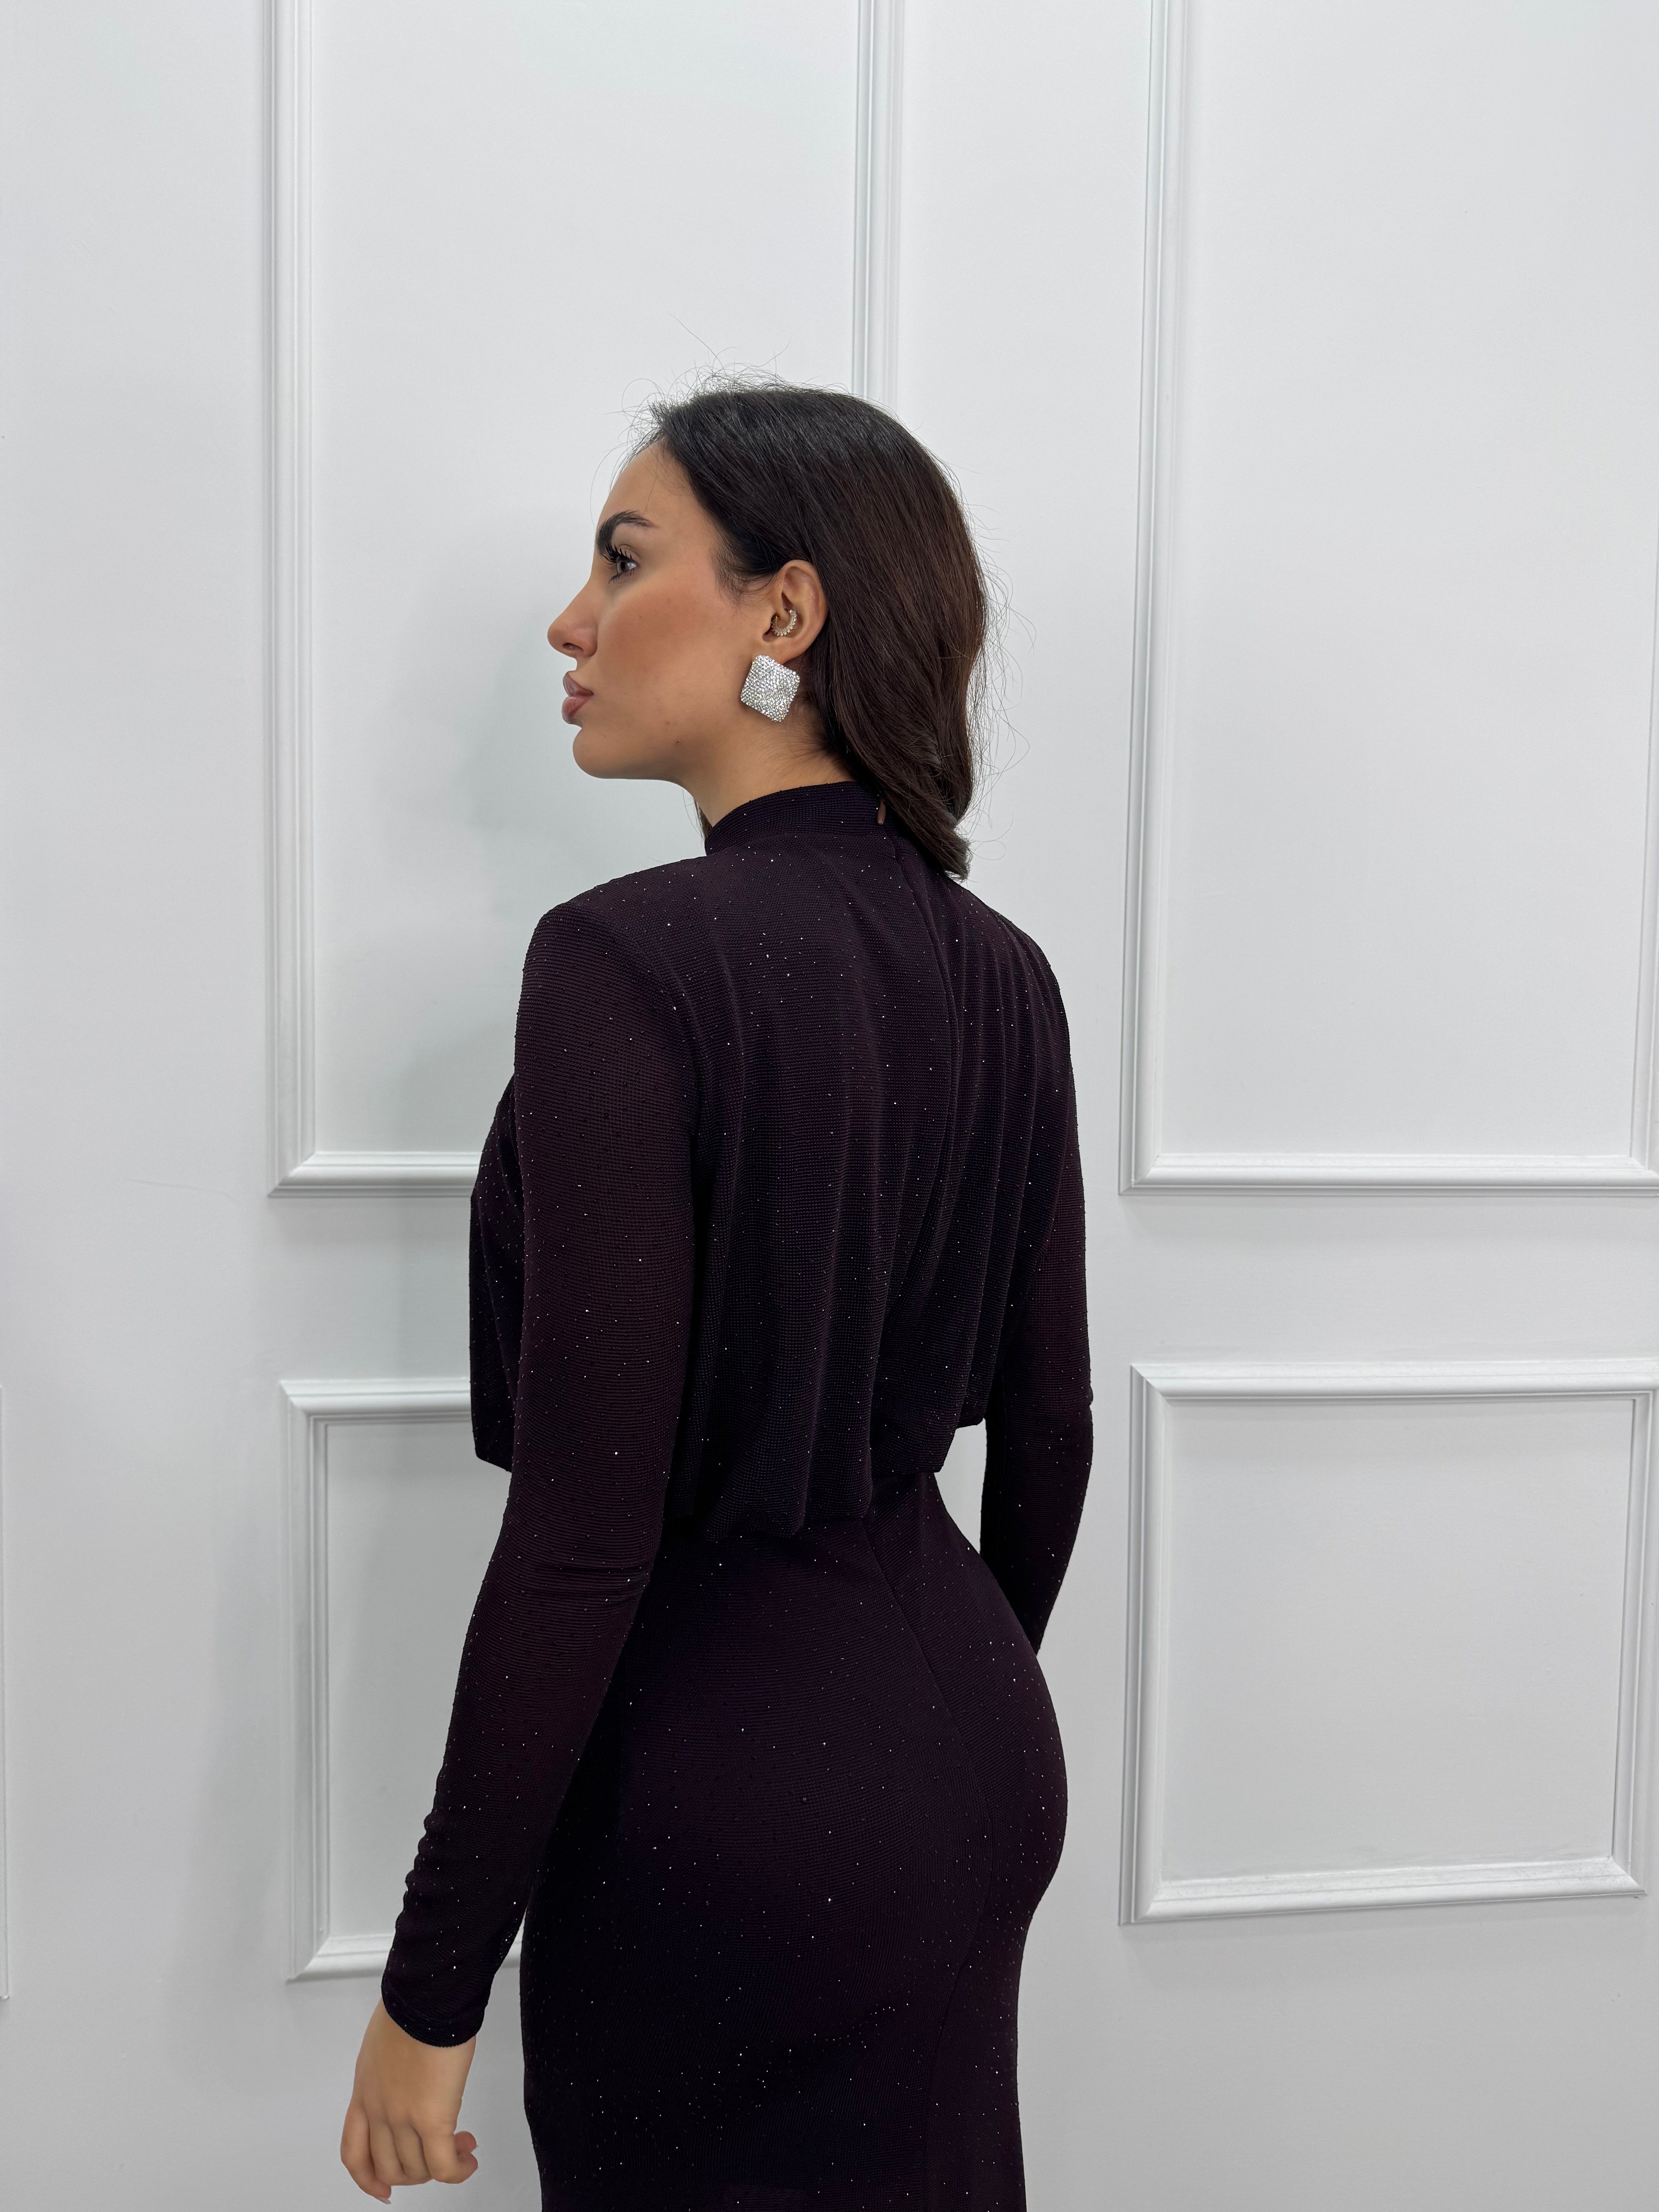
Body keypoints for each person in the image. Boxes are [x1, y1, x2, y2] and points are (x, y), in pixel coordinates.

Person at [338, 378, 1094, 2209]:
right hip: (970, 1747)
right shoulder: (1005, 972)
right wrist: (911, 1728)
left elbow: (583, 1538)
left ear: (788, 612)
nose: (570, 621)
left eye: (623, 559)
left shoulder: (623, 964)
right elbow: (1053, 1434)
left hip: (719, 1801)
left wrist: (432, 1989)